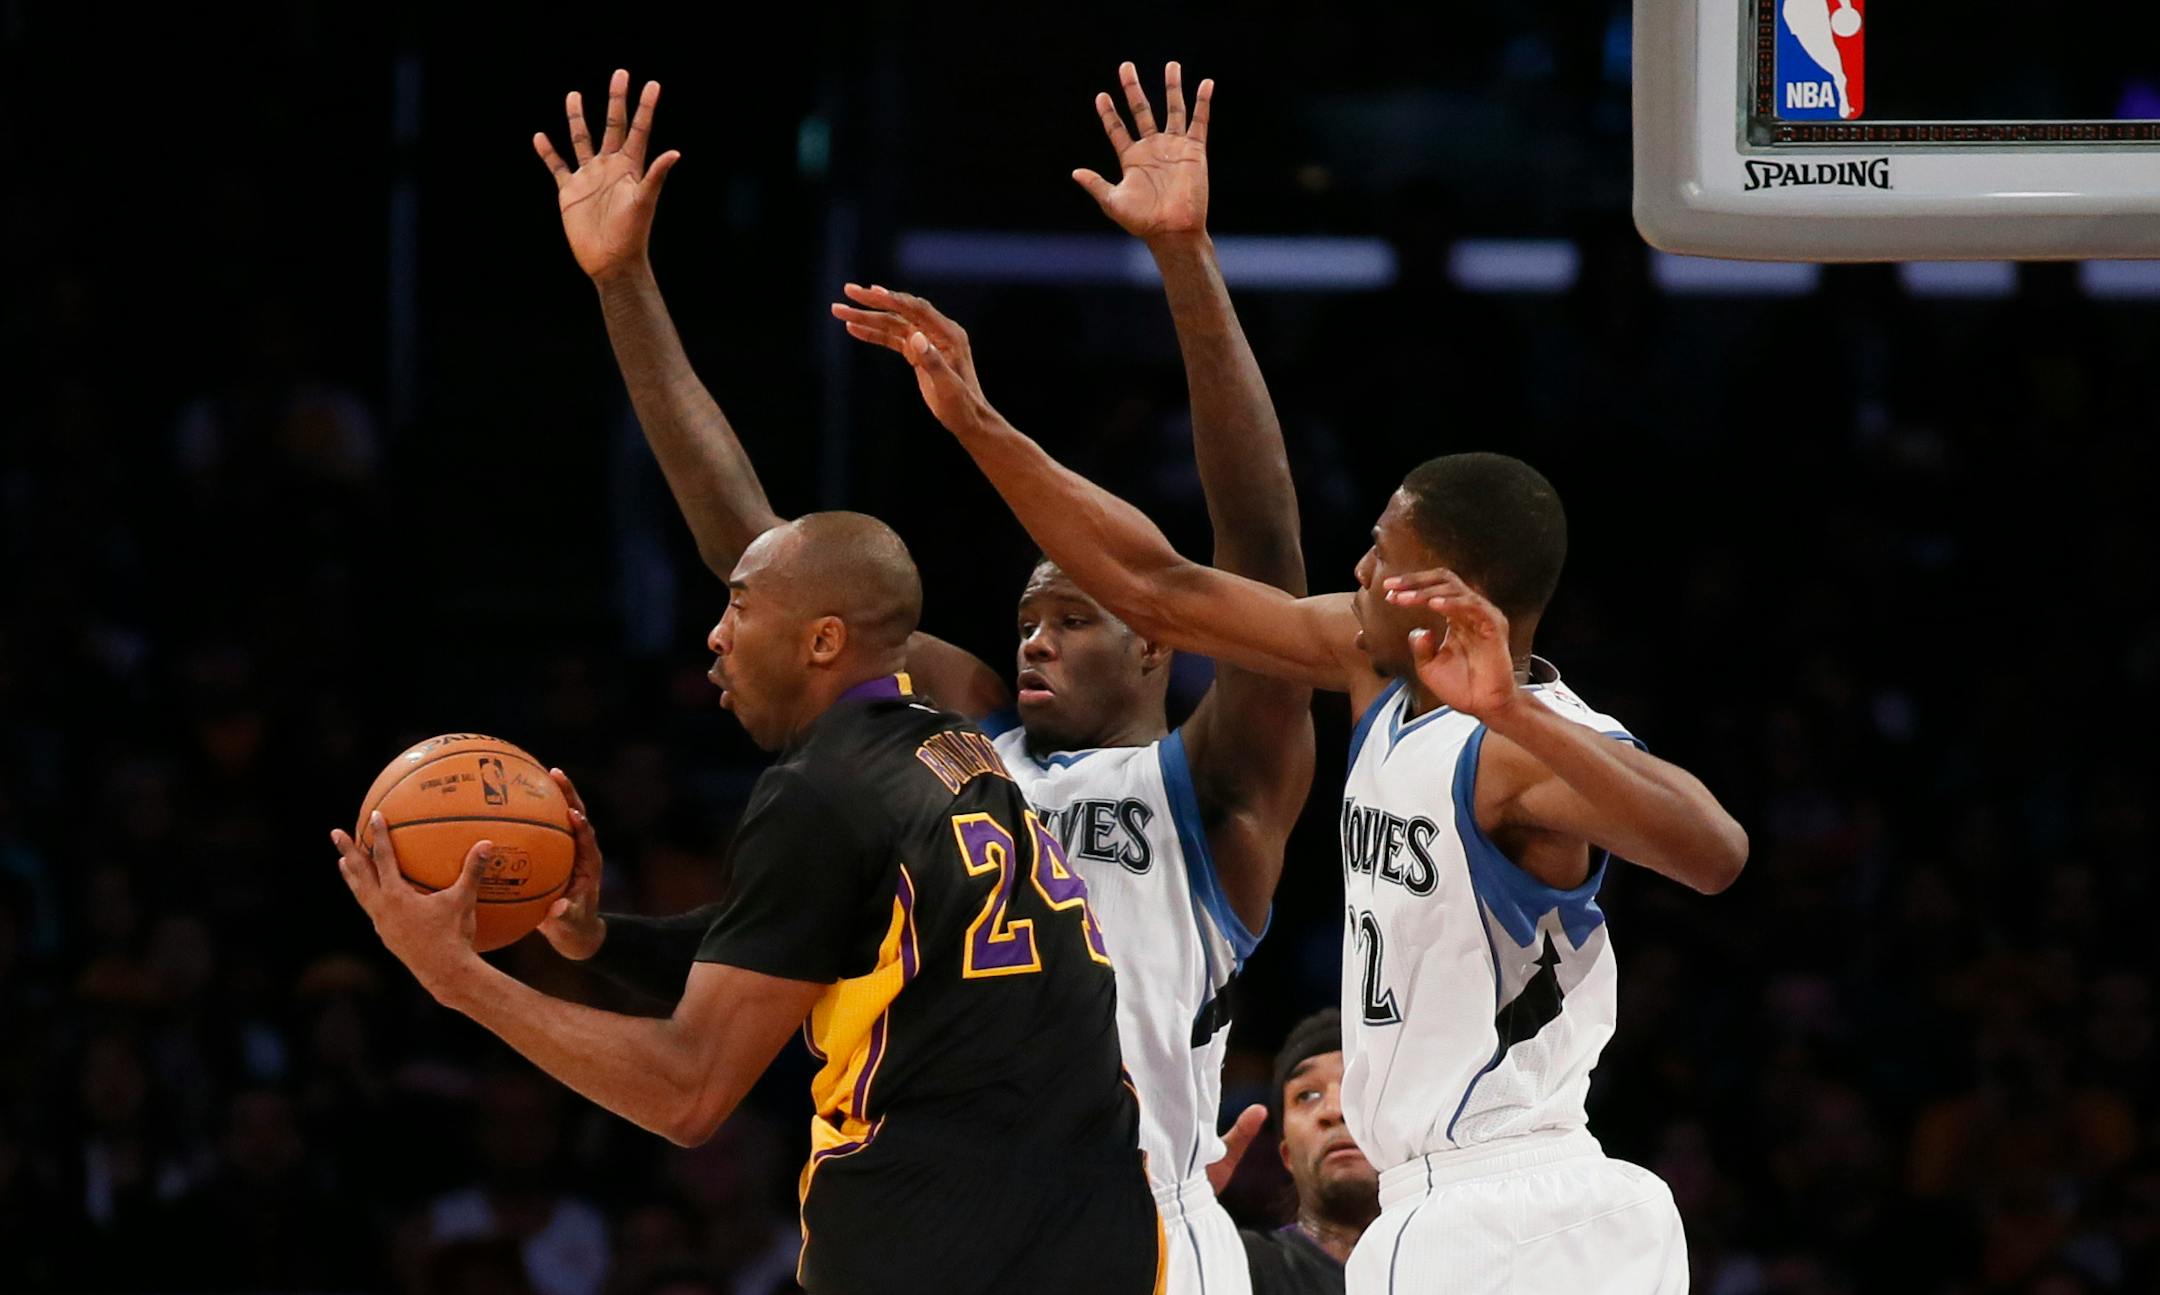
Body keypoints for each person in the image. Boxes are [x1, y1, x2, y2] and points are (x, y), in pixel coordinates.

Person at [533, 64, 1312, 1294]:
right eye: (1023, 618)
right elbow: (763, 557)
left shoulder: (1211, 789)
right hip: (945, 1212)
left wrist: (1185, 258)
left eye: (1075, 615)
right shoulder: (957, 752)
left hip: (1131, 1225)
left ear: (1164, 635)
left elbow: (1263, 552)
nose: (1033, 640)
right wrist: (623, 285)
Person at [861, 258, 1750, 1291]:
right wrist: (979, 423)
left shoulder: (1521, 739)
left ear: (1443, 587)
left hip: (1514, 1198)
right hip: (1446, 1203)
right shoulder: (1372, 667)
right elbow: (1164, 586)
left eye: (1381, 550)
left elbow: (1715, 850)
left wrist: (1507, 703)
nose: (1361, 566)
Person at [331, 511, 1159, 1294]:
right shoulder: (955, 747)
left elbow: (686, 1095)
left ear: (822, 641)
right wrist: (596, 941)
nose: (716, 636)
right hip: (1100, 1235)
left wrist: (454, 976)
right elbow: (797, 944)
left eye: (739, 605)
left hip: (932, 1239)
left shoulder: (818, 792)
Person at [1242, 1010, 1379, 1295]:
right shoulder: (1238, 1265)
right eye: (1306, 1095)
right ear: (1286, 1154)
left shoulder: (1465, 1260)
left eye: (1357, 1086)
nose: (1333, 1110)